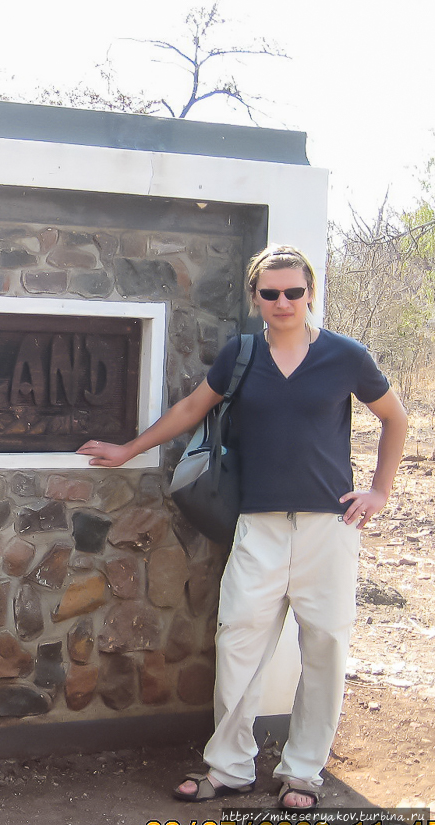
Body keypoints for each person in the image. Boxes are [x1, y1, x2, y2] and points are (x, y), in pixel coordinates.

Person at [78, 245, 408, 812]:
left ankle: (302, 771)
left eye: (294, 292)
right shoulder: (242, 354)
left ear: (310, 294)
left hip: (329, 525)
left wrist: (381, 491)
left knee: (325, 646)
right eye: (271, 293)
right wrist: (129, 448)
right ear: (256, 298)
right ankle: (230, 767)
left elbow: (394, 418)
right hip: (257, 524)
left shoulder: (345, 356)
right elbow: (190, 409)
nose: (283, 302)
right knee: (238, 643)